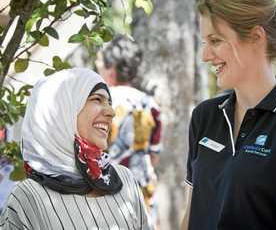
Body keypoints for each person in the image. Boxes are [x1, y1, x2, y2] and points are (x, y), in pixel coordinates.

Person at [182, 0, 276, 229]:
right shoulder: (204, 116)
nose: (205, 56)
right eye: (204, 42)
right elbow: (191, 217)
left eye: (215, 41)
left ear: (256, 37)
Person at [0, 68, 152, 229]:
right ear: (63, 110)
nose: (111, 112)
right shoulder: (28, 198)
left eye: (109, 102)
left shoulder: (124, 179)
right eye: (97, 99)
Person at [95, 35, 162, 228]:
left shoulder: (100, 101)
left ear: (111, 69)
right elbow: (154, 155)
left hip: (104, 190)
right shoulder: (150, 104)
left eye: (100, 63)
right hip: (140, 190)